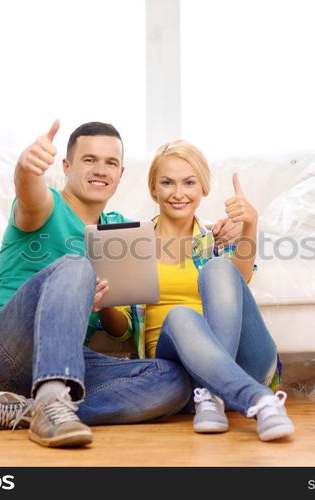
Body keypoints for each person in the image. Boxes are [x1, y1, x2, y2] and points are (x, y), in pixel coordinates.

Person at [0, 121, 202, 448]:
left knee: (173, 380)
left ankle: (26, 410)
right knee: (78, 265)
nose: (100, 170)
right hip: (2, 353)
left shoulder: (120, 230)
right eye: (89, 160)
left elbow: (172, 238)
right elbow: (29, 195)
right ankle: (49, 403)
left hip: (70, 362)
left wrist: (224, 233)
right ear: (66, 166)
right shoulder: (46, 207)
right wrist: (25, 167)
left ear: (120, 174)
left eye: (110, 163)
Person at [101, 140, 295, 442]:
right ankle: (254, 399)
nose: (178, 193)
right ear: (154, 189)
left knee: (219, 269)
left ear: (203, 187)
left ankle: (213, 393)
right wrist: (104, 302)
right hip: (175, 369)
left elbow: (239, 281)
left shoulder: (218, 237)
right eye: (167, 182)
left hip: (245, 364)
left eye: (189, 182)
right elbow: (121, 330)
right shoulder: (132, 244)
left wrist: (249, 225)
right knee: (180, 316)